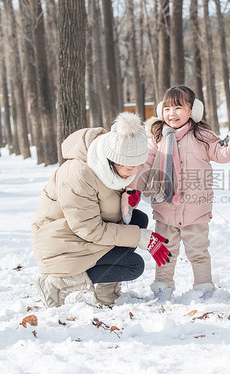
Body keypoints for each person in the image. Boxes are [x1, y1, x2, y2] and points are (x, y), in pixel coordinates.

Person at [32, 112, 171, 308]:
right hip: (61, 242)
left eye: (138, 167)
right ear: (112, 160)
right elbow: (89, 229)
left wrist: (126, 201)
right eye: (129, 168)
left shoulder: (111, 166)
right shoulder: (78, 175)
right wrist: (142, 238)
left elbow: (107, 209)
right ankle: (55, 285)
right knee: (133, 265)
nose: (135, 173)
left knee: (138, 220)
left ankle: (106, 294)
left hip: (83, 235)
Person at [131, 85, 230, 302]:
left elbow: (221, 153)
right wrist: (135, 188)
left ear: (192, 111)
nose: (172, 113)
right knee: (165, 251)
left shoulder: (202, 135)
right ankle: (163, 287)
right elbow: (145, 166)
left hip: (195, 208)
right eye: (168, 108)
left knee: (198, 251)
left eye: (179, 107)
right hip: (165, 207)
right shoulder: (157, 137)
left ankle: (203, 286)